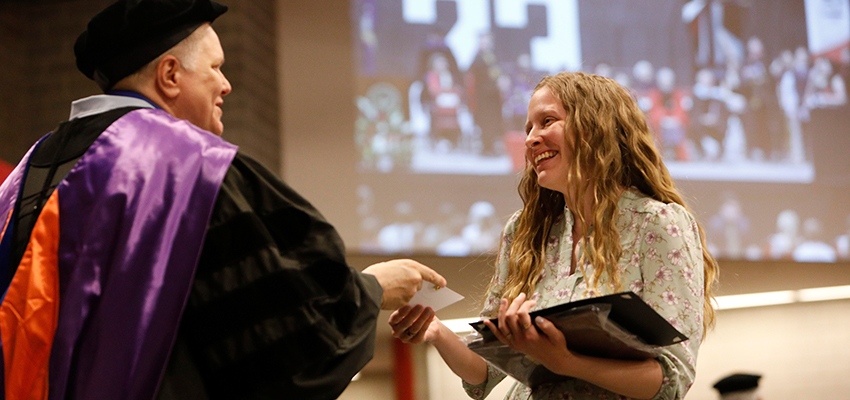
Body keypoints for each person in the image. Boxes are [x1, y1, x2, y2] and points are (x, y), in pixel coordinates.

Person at [0, 1, 446, 399]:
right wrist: (371, 290)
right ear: (170, 75)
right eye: (216, 68)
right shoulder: (188, 166)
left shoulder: (26, 176)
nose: (227, 85)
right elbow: (283, 346)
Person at [389, 72, 718, 400]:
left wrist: (566, 362)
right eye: (529, 128)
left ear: (595, 127)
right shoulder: (524, 231)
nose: (531, 139)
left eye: (547, 121)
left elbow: (672, 381)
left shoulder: (657, 222)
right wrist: (436, 332)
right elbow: (483, 373)